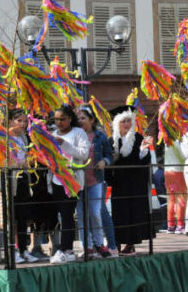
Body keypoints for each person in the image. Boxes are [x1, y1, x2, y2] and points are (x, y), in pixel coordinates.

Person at [108, 105, 153, 255]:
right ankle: (117, 242)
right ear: (117, 123)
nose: (127, 124)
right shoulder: (112, 141)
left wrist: (143, 151)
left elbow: (144, 160)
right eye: (123, 121)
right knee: (119, 213)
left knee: (133, 213)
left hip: (135, 183)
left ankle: (130, 244)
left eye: (129, 121)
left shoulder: (137, 138)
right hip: (119, 183)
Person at [49, 105, 89, 264]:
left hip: (73, 180)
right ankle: (63, 248)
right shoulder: (52, 134)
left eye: (62, 119)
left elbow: (83, 154)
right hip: (56, 180)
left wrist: (64, 144)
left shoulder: (79, 133)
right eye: (56, 119)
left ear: (70, 119)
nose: (59, 122)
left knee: (67, 214)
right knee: (59, 215)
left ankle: (66, 249)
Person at [76, 105, 113, 258]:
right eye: (77, 118)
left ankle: (99, 244)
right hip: (77, 182)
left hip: (95, 180)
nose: (80, 121)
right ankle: (87, 246)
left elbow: (109, 155)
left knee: (95, 213)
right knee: (81, 215)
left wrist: (105, 161)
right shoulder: (73, 135)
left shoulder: (100, 137)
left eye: (83, 118)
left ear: (91, 120)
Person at [6, 109, 38, 264]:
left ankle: (24, 249)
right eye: (19, 120)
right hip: (11, 179)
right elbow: (3, 160)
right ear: (11, 120)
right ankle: (11, 250)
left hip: (24, 178)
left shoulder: (24, 137)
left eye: (25, 121)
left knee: (23, 216)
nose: (23, 124)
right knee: (11, 217)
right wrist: (22, 163)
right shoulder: (5, 137)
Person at [164, 142, 187, 234]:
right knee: (181, 198)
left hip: (168, 172)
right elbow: (183, 155)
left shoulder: (167, 140)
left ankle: (171, 225)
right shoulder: (179, 141)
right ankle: (180, 225)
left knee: (171, 199)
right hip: (178, 171)